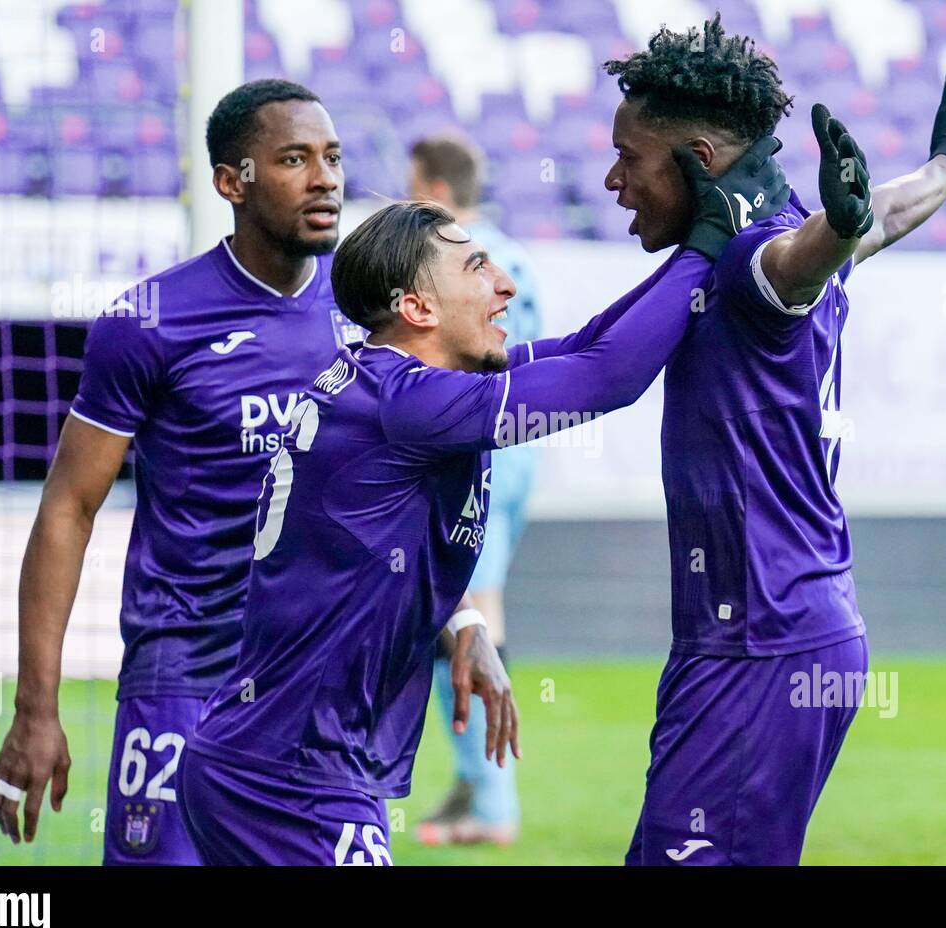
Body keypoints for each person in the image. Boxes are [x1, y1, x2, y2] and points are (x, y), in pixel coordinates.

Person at [178, 131, 791, 865]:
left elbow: (590, 343)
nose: (504, 286)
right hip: (289, 780)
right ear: (416, 307)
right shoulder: (409, 403)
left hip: (276, 762)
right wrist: (709, 247)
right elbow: (607, 379)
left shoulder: (403, 386)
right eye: (476, 268)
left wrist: (461, 617)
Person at [600, 16, 946, 865]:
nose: (611, 179)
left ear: (699, 160)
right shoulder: (782, 221)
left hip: (762, 641)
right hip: (771, 631)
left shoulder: (748, 256)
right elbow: (869, 220)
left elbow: (795, 260)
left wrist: (837, 229)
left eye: (629, 159)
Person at [0, 79, 364, 864]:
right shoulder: (149, 323)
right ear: (233, 182)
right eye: (294, 159)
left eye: (331, 157)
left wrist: (461, 621)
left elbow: (393, 487)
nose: (324, 177)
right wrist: (36, 709)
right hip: (183, 672)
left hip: (315, 681)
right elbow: (69, 508)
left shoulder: (364, 314)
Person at [407, 133, 540, 845]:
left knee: (470, 614)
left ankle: (492, 803)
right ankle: (474, 786)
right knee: (464, 612)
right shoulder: (515, 255)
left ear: (432, 188)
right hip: (520, 448)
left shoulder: (452, 257)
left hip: (475, 443)